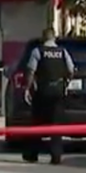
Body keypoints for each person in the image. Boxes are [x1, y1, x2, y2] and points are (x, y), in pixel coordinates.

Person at [22, 28, 75, 165]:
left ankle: (33, 154)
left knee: (37, 124)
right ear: (54, 38)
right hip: (58, 92)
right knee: (56, 126)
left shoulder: (38, 51)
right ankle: (56, 156)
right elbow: (70, 70)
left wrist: (27, 88)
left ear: (43, 38)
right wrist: (66, 83)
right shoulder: (63, 52)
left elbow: (31, 70)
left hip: (42, 91)